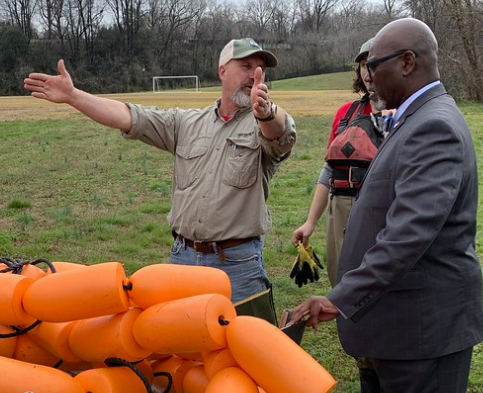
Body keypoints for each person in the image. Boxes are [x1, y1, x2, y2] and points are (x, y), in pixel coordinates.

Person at [289, 18, 483, 393]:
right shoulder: (414, 117)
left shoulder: (435, 125)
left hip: (427, 321)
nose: (367, 76)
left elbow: (408, 235)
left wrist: (340, 296)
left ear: (407, 63)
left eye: (374, 65)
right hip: (407, 320)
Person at [24, 39, 297, 306]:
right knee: (183, 345)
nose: (254, 76)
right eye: (246, 66)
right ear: (222, 71)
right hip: (184, 258)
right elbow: (129, 116)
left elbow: (279, 133)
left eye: (260, 69)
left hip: (237, 264)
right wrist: (73, 96)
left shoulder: (264, 122)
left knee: (244, 346)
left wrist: (266, 113)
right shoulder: (186, 123)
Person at [292, 39, 392, 393]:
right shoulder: (346, 114)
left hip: (381, 214)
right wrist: (311, 222)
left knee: (382, 300)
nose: (369, 71)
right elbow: (328, 172)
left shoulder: (403, 114)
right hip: (340, 211)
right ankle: (371, 389)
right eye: (364, 64)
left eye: (375, 63)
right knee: (345, 293)